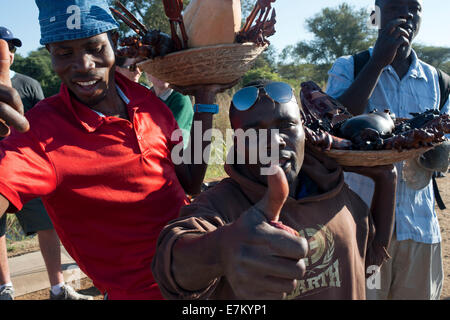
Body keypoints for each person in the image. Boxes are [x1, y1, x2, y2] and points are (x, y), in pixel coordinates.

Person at [0, 0, 234, 300]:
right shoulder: (39, 133)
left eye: (95, 48)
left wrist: (204, 99)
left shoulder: (147, 103)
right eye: (64, 53)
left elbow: (189, 182)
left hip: (210, 275)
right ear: (50, 54)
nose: (83, 64)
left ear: (114, 42)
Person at [151, 80, 397, 300]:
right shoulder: (220, 206)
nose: (273, 140)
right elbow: (172, 267)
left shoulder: (338, 192)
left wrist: (387, 179)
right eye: (254, 132)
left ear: (305, 133)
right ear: (237, 144)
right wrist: (220, 248)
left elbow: (368, 260)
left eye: (286, 125)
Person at [326, 0, 449, 300]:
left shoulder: (439, 81)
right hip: (359, 229)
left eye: (414, 6)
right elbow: (332, 125)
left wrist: (437, 149)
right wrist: (378, 62)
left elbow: (443, 154)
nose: (406, 13)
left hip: (419, 228)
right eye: (395, 5)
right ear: (375, 16)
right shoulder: (349, 66)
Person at [0, 26, 92, 300]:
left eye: (11, 47)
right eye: (4, 46)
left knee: (47, 224)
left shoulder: (28, 84)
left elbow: (43, 127)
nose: (10, 53)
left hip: (29, 169)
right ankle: (5, 288)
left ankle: (58, 287)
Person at [146, 73, 194, 149]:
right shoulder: (147, 96)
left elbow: (171, 137)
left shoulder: (180, 99)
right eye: (157, 70)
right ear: (148, 74)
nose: (162, 74)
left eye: (166, 71)